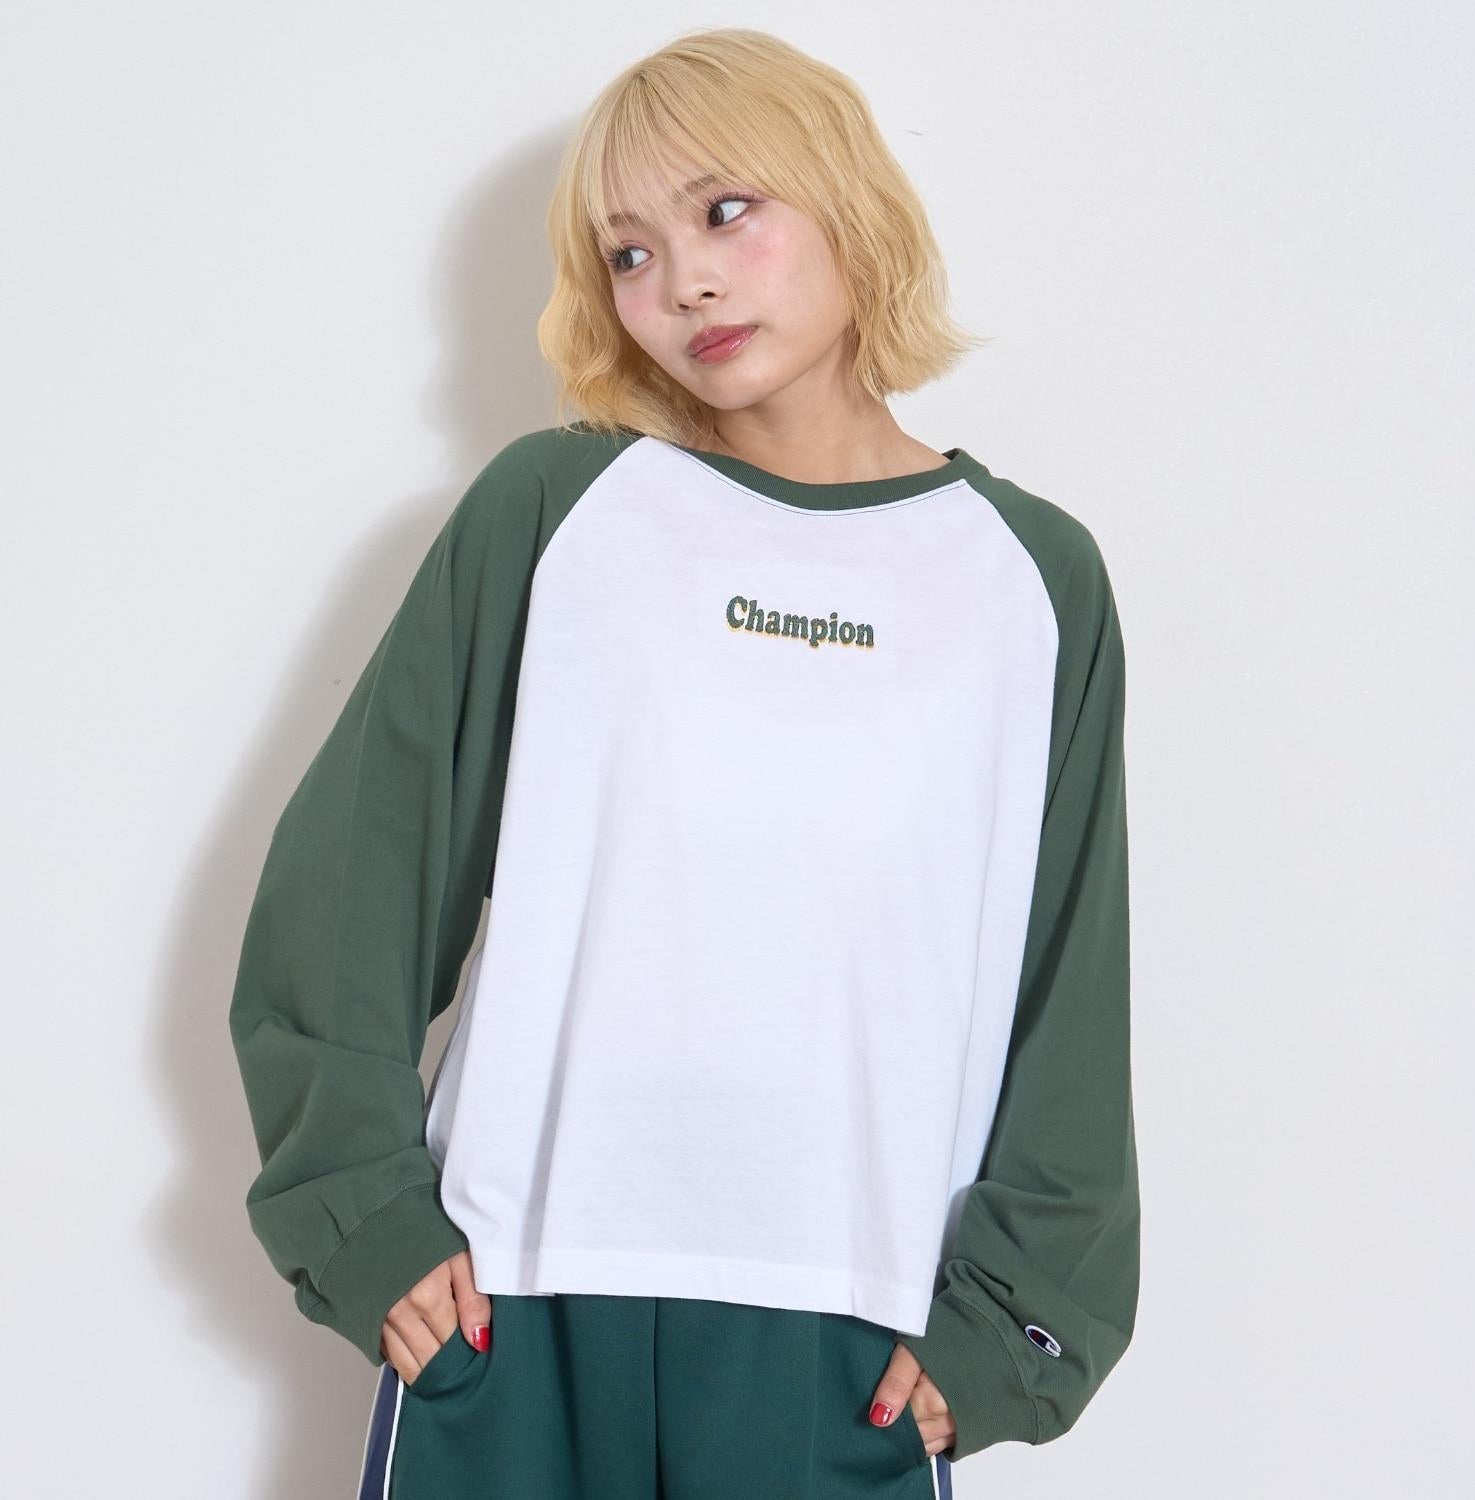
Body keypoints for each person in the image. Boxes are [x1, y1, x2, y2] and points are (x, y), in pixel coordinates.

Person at [228, 26, 1139, 1500]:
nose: (685, 283)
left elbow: (1068, 980)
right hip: (518, 1304)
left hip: (853, 1334)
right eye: (630, 254)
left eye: (726, 212)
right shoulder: (559, 512)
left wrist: (1017, 1330)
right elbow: (353, 886)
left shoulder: (1030, 580)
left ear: (846, 200)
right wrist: (365, 1221)